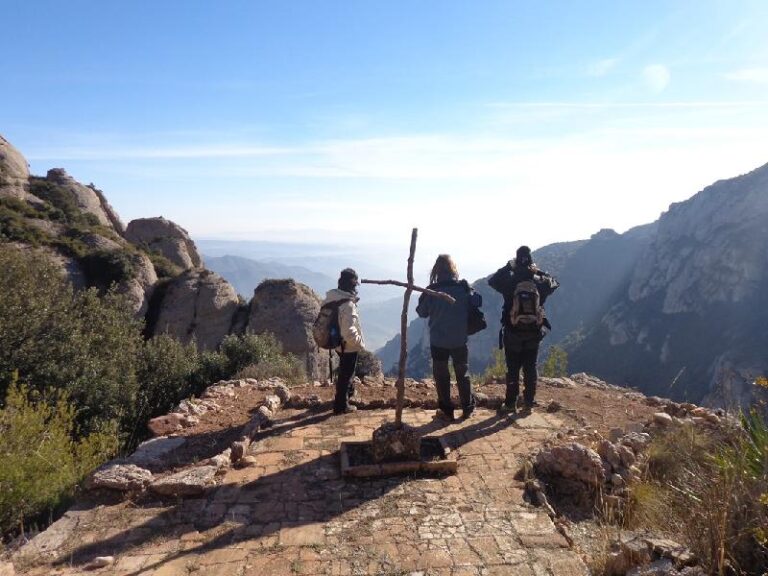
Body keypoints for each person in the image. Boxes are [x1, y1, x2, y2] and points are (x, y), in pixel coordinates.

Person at [488, 245, 558, 414]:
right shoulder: (539, 282)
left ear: (516, 260)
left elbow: (492, 281)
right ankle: (528, 403)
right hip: (533, 333)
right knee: (530, 368)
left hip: (512, 332)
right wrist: (539, 272)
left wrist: (508, 267)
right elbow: (555, 283)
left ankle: (511, 403)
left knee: (512, 369)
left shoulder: (510, 281)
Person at [416, 254, 479, 421]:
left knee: (441, 375)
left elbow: (421, 312)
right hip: (459, 340)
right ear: (453, 269)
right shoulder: (463, 288)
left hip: (438, 341)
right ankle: (468, 408)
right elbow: (476, 303)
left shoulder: (432, 291)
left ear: (436, 270)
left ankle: (446, 410)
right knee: (462, 373)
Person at [322, 268, 366, 414]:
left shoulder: (332, 296)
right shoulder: (348, 304)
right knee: (346, 374)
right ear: (352, 285)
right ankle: (341, 405)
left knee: (345, 372)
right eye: (355, 285)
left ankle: (347, 396)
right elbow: (349, 331)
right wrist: (359, 343)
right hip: (348, 345)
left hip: (337, 342)